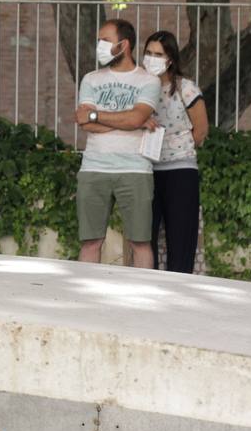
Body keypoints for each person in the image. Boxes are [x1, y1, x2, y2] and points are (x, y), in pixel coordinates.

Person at [74, 18, 161, 268]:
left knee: (140, 243)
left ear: (124, 45)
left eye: (105, 40)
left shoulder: (148, 81)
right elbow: (85, 122)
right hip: (93, 168)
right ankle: (86, 296)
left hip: (135, 170)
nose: (100, 45)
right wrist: (131, 121)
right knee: (90, 241)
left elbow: (135, 117)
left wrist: (97, 115)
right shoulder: (90, 79)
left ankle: (142, 297)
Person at [143, 30, 208, 274]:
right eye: (148, 53)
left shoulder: (185, 88)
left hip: (180, 171)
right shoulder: (139, 88)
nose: (151, 58)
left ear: (170, 58)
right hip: (146, 169)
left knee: (181, 238)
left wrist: (175, 147)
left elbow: (201, 130)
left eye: (158, 54)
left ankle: (181, 293)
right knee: (144, 237)